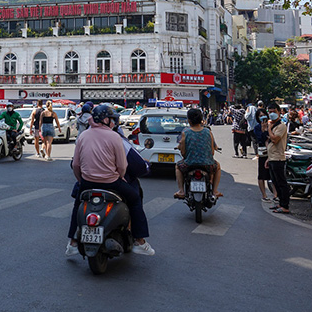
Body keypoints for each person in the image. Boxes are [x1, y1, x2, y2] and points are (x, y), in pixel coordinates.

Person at [66, 106, 155, 257]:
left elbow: (75, 164)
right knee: (134, 199)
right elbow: (122, 166)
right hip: (111, 182)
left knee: (77, 204)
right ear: (106, 120)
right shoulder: (114, 137)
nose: (114, 122)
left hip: (87, 183)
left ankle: (73, 243)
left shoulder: (83, 136)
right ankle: (139, 241)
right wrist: (119, 177)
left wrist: (81, 180)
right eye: (112, 119)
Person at [174, 108, 222, 199]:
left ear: (189, 120)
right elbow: (212, 152)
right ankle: (215, 191)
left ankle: (181, 191)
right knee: (218, 166)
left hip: (189, 164)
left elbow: (183, 152)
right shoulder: (208, 132)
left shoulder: (185, 133)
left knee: (177, 166)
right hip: (208, 165)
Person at [265, 103, 290, 214]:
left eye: (274, 111)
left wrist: (269, 128)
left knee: (281, 182)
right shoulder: (274, 125)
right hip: (272, 158)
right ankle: (280, 203)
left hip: (278, 158)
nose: (272, 114)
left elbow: (275, 139)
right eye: (270, 112)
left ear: (280, 112)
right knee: (275, 182)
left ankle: (285, 205)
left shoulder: (281, 126)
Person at [254, 114, 276, 203]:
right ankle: (264, 195)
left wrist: (268, 130)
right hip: (263, 152)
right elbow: (260, 139)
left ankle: (275, 194)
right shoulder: (257, 128)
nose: (263, 119)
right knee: (262, 174)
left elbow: (272, 138)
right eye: (260, 116)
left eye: (264, 117)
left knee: (273, 174)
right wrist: (263, 131)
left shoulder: (272, 125)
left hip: (273, 152)